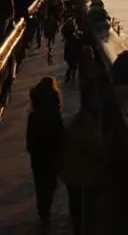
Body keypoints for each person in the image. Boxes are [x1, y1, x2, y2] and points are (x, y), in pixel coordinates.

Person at [61, 107, 108, 235]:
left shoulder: (70, 130)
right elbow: (101, 155)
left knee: (76, 205)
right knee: (90, 208)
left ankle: (77, 228)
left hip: (74, 178)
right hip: (91, 178)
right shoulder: (94, 135)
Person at [25, 77, 64, 229]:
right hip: (52, 156)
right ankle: (45, 214)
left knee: (40, 186)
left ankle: (43, 215)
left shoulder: (33, 117)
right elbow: (60, 135)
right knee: (50, 185)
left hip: (38, 159)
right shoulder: (54, 115)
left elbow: (30, 143)